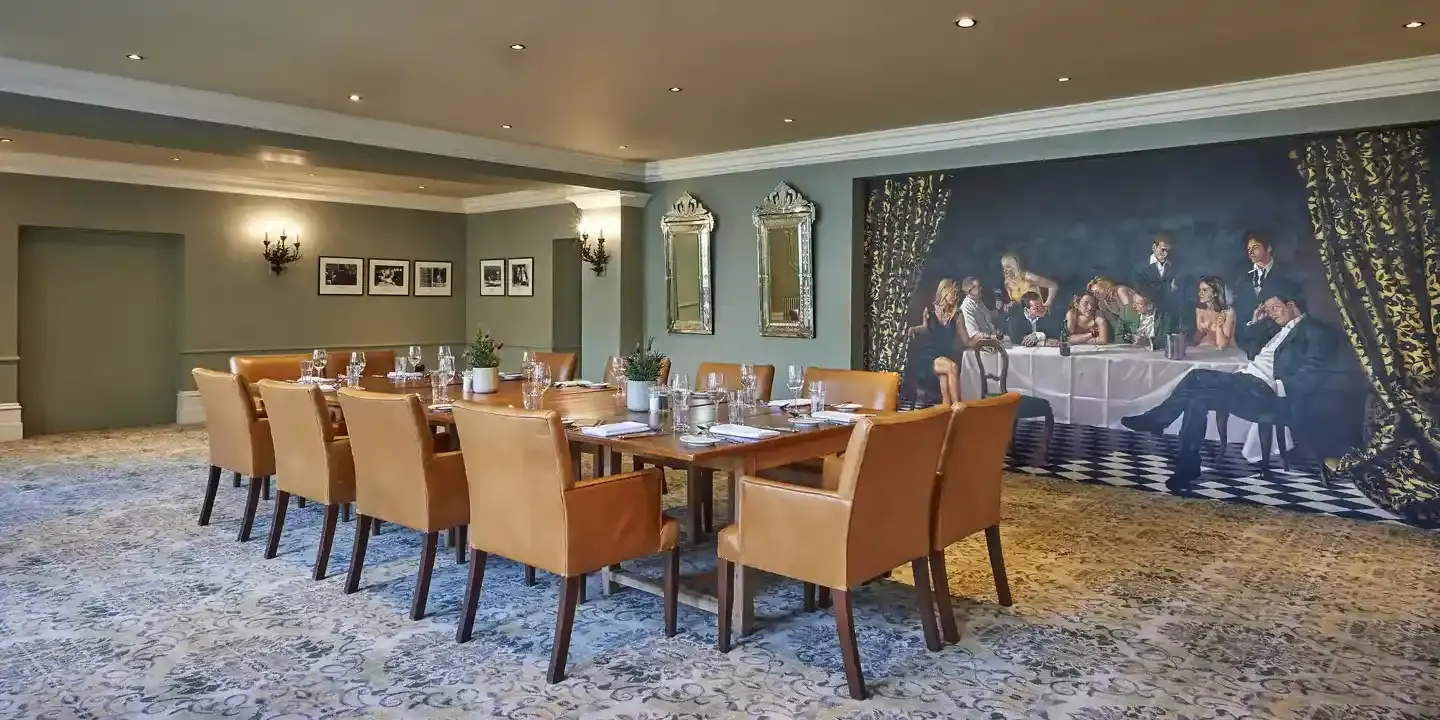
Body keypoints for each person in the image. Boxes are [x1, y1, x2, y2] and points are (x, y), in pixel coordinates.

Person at [1121, 294, 1346, 491]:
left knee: (1198, 375)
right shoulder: (1276, 330)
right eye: (1268, 310)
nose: (1271, 314)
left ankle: (1159, 419)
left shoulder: (1313, 329)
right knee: (1196, 399)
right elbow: (1247, 346)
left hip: (1267, 392)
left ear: (1292, 305)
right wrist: (1256, 322)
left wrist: (1280, 387)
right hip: (1246, 384)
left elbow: (1315, 370)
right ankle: (1187, 467)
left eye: (1275, 307)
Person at [906, 278, 966, 404]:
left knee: (945, 379)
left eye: (956, 294)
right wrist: (914, 329)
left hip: (946, 354)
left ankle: (947, 410)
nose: (955, 297)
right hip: (930, 356)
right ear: (944, 291)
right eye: (953, 293)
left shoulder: (958, 314)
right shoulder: (930, 312)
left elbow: (966, 339)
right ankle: (958, 406)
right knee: (952, 367)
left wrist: (981, 341)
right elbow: (925, 329)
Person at [1233, 234, 1301, 325]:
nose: (1251, 252)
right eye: (1249, 249)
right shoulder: (1242, 280)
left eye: (1255, 248)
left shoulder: (1286, 272)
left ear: (1268, 248)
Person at [1132, 234, 1184, 322]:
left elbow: (1178, 289)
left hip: (1168, 314)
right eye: (1163, 250)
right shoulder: (1140, 268)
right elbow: (1141, 291)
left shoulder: (1176, 268)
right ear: (1154, 247)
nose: (1166, 254)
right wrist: (1168, 288)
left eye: (1169, 251)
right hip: (1145, 313)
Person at [1194, 276, 1236, 350]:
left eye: (1205, 290)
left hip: (1228, 353)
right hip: (1210, 350)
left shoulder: (1228, 313)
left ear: (1215, 293)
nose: (1200, 293)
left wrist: (1218, 327)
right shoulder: (1200, 311)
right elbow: (1197, 339)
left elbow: (1222, 345)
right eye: (1200, 290)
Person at [959, 276, 1003, 344]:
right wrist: (993, 337)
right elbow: (974, 334)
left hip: (993, 340)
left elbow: (990, 316)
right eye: (977, 287)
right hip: (982, 345)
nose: (980, 288)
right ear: (969, 290)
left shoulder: (979, 302)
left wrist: (999, 309)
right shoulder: (966, 307)